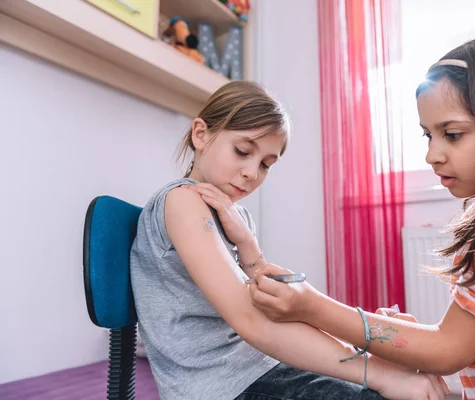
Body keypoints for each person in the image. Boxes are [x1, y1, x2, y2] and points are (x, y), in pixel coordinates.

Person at [249, 33, 475, 399]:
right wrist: (410, 339)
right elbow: (470, 340)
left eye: (452, 134)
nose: (433, 154)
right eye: (427, 136)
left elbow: (447, 349)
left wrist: (311, 306)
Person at [129, 80, 449, 400]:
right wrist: (377, 372)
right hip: (220, 385)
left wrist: (247, 245)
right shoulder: (182, 201)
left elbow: (273, 308)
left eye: (266, 164)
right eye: (242, 151)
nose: (251, 172)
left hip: (263, 363)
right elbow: (251, 320)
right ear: (201, 134)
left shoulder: (237, 217)